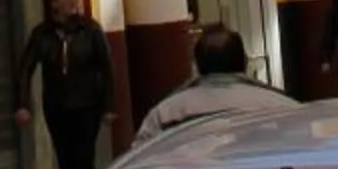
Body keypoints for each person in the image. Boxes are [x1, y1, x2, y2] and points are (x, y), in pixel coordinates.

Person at [16, 0, 114, 169]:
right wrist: (23, 104)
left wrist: (109, 106)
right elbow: (25, 68)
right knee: (65, 162)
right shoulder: (42, 34)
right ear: (54, 3)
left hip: (87, 106)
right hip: (57, 108)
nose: (73, 1)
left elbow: (106, 68)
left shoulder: (90, 30)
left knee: (83, 159)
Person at [128, 24, 302, 144]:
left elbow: (140, 158)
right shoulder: (283, 107)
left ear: (197, 65)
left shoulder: (165, 114)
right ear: (245, 62)